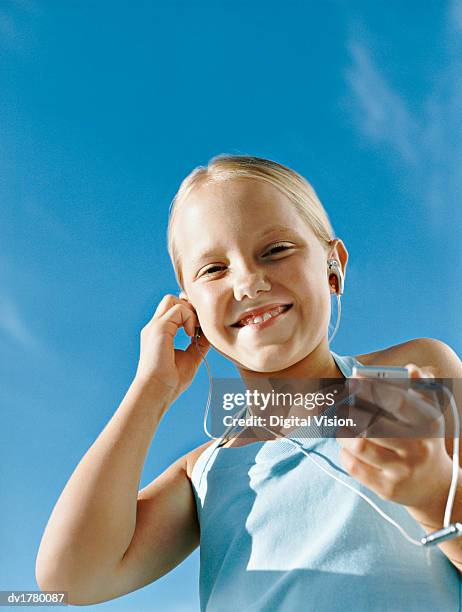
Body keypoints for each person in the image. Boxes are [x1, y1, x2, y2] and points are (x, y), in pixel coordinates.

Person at [36, 154, 462, 610]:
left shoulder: (402, 377)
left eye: (276, 250)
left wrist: (437, 496)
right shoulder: (207, 470)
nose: (249, 283)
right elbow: (71, 579)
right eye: (214, 270)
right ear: (190, 310)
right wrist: (150, 391)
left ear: (333, 265)